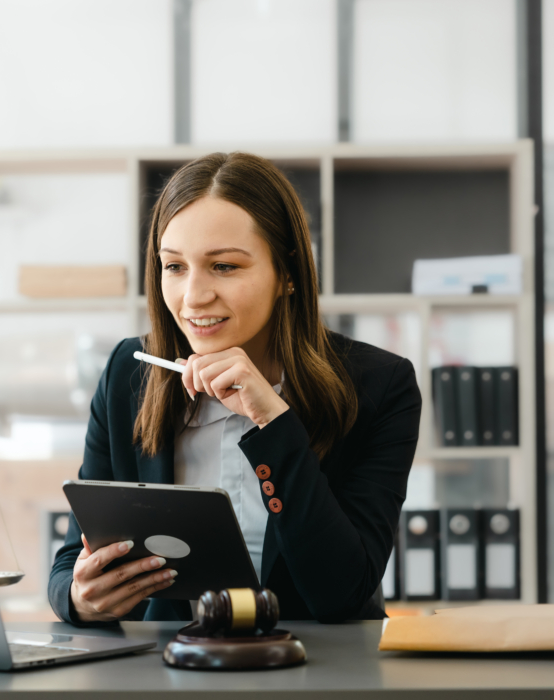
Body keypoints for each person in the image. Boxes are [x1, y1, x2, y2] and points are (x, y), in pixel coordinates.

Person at [49, 152, 422, 625]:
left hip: (318, 669)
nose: (193, 296)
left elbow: (341, 594)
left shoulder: (380, 386)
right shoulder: (130, 372)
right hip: (169, 666)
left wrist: (274, 421)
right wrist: (81, 597)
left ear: (287, 273)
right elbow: (68, 565)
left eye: (223, 266)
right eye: (174, 266)